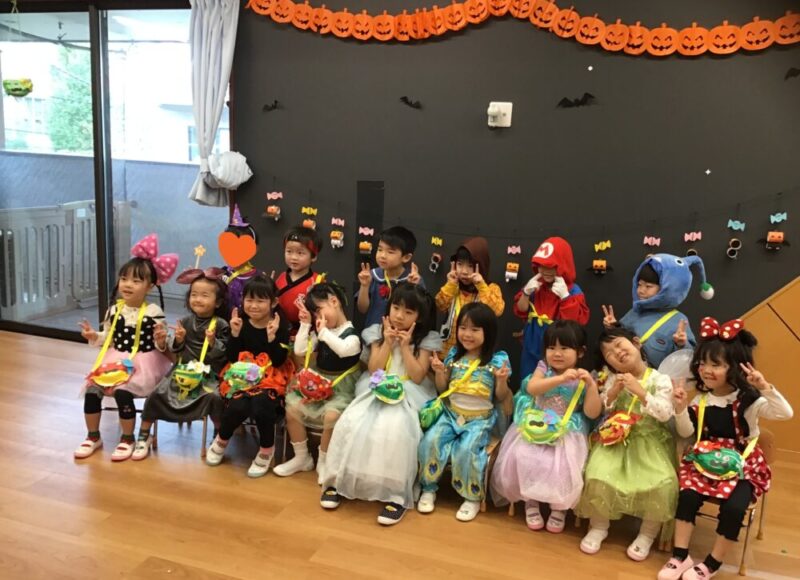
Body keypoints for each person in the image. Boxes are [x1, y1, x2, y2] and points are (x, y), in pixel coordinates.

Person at [658, 318, 793, 580]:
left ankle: (712, 563)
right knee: (686, 496)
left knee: (734, 508)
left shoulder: (749, 400)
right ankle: (680, 556)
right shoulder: (701, 399)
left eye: (716, 364)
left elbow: (785, 413)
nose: (706, 370)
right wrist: (680, 408)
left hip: (743, 463)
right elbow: (686, 433)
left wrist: (764, 387)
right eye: (702, 363)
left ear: (735, 367)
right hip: (704, 460)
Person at [322, 283, 441, 525]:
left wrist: (405, 346)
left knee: (396, 429)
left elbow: (418, 376)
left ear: (419, 317)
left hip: (408, 391)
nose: (399, 315)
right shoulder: (377, 331)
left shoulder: (426, 339)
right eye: (396, 308)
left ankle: (396, 494)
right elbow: (374, 368)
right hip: (376, 386)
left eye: (408, 312)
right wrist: (387, 342)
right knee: (351, 422)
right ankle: (338, 481)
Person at [576, 326, 677, 561]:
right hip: (615, 438)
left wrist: (641, 392)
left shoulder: (660, 379)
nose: (617, 353)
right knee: (597, 474)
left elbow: (665, 414)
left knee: (663, 483)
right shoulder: (613, 378)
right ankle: (598, 527)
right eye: (609, 353)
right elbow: (604, 407)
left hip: (649, 441)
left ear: (636, 343)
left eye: (619, 345)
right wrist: (612, 392)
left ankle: (647, 535)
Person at [75, 234, 177, 461]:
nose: (128, 284)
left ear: (150, 286)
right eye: (124, 279)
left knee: (123, 392)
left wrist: (161, 339)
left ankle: (128, 438)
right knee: (92, 390)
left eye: (136, 281)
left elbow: (162, 345)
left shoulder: (153, 312)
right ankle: (93, 436)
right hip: (115, 359)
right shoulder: (114, 310)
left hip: (144, 362)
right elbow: (108, 337)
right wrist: (94, 336)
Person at [491, 320, 601, 533]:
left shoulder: (585, 376)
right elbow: (533, 388)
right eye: (551, 348)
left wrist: (591, 386)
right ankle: (531, 502)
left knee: (562, 466)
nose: (557, 353)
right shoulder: (543, 369)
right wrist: (560, 379)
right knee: (525, 457)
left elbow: (592, 413)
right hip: (537, 424)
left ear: (580, 352)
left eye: (564, 348)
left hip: (566, 430)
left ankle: (559, 507)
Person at [417, 303, 512, 522]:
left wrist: (501, 381)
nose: (467, 334)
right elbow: (443, 388)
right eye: (463, 328)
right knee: (431, 440)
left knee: (467, 450)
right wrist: (439, 372)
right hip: (450, 414)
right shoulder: (453, 354)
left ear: (488, 332)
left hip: (480, 420)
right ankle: (428, 488)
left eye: (475, 329)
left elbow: (500, 396)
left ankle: (472, 497)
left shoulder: (498, 360)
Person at [133, 267, 231, 460]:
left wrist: (213, 342)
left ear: (218, 302)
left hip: (208, 374)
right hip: (181, 372)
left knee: (215, 398)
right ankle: (144, 436)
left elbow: (224, 354)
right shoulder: (185, 321)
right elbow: (174, 349)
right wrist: (177, 340)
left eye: (204, 295)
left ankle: (218, 437)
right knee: (156, 394)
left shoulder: (221, 324)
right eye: (194, 294)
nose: (198, 299)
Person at [205, 275, 294, 477]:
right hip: (242, 375)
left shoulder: (280, 326)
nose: (253, 305)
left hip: (271, 375)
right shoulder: (241, 323)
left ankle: (266, 449)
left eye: (260, 300)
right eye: (249, 300)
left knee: (262, 403)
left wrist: (272, 337)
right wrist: (235, 334)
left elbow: (278, 361)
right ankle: (222, 439)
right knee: (238, 404)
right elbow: (232, 358)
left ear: (273, 302)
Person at [274, 282, 362, 481]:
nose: (318, 318)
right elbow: (300, 350)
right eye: (314, 315)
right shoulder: (321, 331)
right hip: (317, 382)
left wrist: (323, 333)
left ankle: (324, 461)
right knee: (292, 409)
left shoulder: (352, 334)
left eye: (319, 311)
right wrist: (305, 325)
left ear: (334, 302)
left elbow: (344, 350)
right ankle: (302, 457)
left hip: (342, 388)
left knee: (331, 417)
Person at [601, 254, 714, 368]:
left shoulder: (679, 320)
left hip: (659, 377)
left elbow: (689, 359)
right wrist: (613, 327)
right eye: (639, 285)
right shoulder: (635, 312)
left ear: (668, 288)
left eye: (648, 286)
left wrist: (681, 344)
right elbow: (620, 339)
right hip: (630, 375)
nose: (641, 291)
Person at [513, 237, 590, 379]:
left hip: (557, 351)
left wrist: (565, 297)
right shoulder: (536, 285)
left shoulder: (573, 291)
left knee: (556, 387)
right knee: (528, 383)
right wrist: (526, 293)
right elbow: (521, 310)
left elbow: (574, 325)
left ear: (563, 266)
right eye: (541, 266)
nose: (546, 271)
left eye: (552, 266)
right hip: (531, 348)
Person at [435, 236, 504, 356]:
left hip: (476, 356)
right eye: (460, 264)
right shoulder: (453, 286)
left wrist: (481, 286)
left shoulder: (491, 288)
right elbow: (439, 305)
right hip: (448, 353)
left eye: (470, 266)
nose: (464, 271)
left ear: (481, 266)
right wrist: (450, 285)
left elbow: (497, 310)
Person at [357, 226, 423, 328]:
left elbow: (421, 314)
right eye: (380, 249)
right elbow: (362, 309)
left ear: (406, 257)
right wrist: (364, 286)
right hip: (373, 333)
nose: (382, 255)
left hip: (401, 335)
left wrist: (412, 288)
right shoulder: (372, 276)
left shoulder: (413, 280)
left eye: (390, 252)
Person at [274, 226, 324, 339]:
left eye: (300, 253)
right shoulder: (281, 277)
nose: (294, 257)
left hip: (307, 335)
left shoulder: (318, 281)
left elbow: (322, 314)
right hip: (280, 332)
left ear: (313, 256)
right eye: (289, 251)